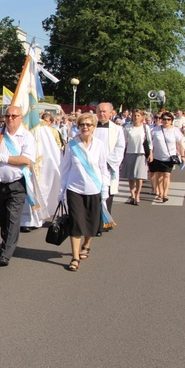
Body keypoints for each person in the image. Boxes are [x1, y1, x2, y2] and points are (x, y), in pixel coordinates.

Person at [0, 105, 36, 266]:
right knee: (3, 219)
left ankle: (5, 252)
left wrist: (3, 157)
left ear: (20, 118)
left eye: (14, 116)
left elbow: (26, 159)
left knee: (13, 218)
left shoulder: (26, 137)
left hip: (16, 184)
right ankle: (9, 242)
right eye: (8, 116)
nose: (10, 118)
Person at [58, 113, 110, 272]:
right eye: (82, 125)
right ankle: (74, 257)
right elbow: (65, 169)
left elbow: (103, 169)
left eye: (88, 125)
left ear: (94, 127)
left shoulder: (100, 145)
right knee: (75, 222)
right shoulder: (72, 145)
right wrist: (62, 191)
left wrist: (104, 189)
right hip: (75, 189)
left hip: (93, 188)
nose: (85, 127)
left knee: (91, 222)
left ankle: (86, 244)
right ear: (78, 127)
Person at [20, 112, 62, 232]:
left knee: (39, 192)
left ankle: (37, 219)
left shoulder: (43, 127)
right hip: (24, 164)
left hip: (40, 164)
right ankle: (26, 220)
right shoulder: (22, 125)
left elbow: (52, 148)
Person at [94, 102, 125, 234]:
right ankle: (95, 224)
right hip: (92, 167)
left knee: (107, 196)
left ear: (111, 113)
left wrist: (106, 162)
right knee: (94, 196)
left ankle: (105, 222)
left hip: (108, 167)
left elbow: (120, 148)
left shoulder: (117, 129)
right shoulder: (90, 127)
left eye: (104, 111)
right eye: (100, 111)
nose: (102, 114)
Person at [149, 111, 185, 203]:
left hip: (170, 157)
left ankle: (165, 193)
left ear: (171, 121)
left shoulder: (175, 130)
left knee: (167, 175)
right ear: (161, 120)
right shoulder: (155, 130)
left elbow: (179, 144)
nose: (166, 121)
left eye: (168, 119)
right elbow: (150, 143)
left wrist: (183, 156)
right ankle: (160, 193)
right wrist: (150, 154)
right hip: (157, 156)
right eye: (164, 119)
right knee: (159, 176)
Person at [120, 109, 152, 205]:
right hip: (130, 152)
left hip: (141, 153)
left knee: (139, 176)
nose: (136, 117)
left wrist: (150, 153)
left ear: (142, 117)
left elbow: (150, 142)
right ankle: (132, 195)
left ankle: (137, 195)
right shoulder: (128, 127)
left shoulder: (145, 128)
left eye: (138, 115)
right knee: (131, 176)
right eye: (134, 115)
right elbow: (123, 142)